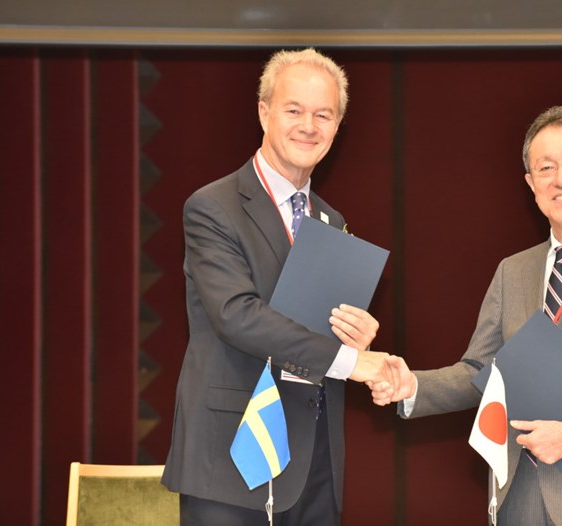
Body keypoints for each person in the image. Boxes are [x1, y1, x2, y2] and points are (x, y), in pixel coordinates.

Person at [374, 106, 562, 525]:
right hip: (518, 496)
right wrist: (412, 386)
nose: (561, 178)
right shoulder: (513, 271)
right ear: (531, 183)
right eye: (546, 167)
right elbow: (482, 371)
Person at [163, 48, 395, 526]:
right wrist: (352, 362)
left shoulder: (331, 221)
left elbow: (315, 328)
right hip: (230, 460)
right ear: (264, 112)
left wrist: (355, 333)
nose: (308, 125)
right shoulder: (212, 207)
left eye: (323, 114)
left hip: (314, 462)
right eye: (294, 110)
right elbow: (237, 316)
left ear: (336, 127)